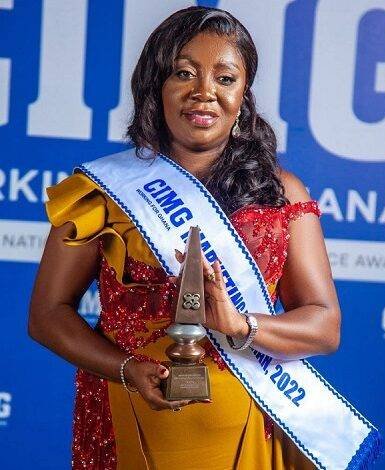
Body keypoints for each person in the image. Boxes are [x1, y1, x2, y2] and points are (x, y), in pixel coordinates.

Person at [28, 6, 341, 470]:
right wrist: (125, 369)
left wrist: (243, 325)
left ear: (244, 98)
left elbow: (324, 325)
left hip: (251, 422)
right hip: (126, 414)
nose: (204, 93)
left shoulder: (281, 193)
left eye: (225, 78)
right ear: (156, 85)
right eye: (184, 73)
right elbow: (46, 315)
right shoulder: (103, 191)